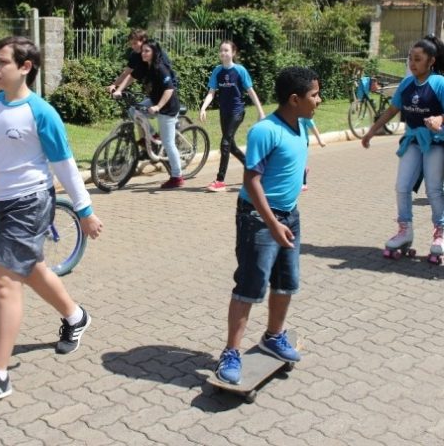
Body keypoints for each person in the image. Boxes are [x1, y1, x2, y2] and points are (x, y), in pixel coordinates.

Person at [0, 36, 103, 405]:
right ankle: (76, 316)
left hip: (31, 201)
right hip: (1, 202)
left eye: (2, 62)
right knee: (31, 269)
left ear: (25, 67)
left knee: (6, 281)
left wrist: (84, 210)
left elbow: (65, 165)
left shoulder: (41, 112)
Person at [215, 66, 321, 385]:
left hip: (289, 216)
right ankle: (230, 352)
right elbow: (252, 180)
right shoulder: (264, 131)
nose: (319, 100)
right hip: (258, 219)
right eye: (314, 95)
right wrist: (272, 224)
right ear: (294, 99)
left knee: (286, 281)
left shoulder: (303, 124)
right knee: (250, 285)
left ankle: (273, 336)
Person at [362, 36, 444, 257]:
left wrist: (439, 119)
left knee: (434, 189)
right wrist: (372, 131)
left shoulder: (439, 83)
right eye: (410, 58)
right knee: (402, 186)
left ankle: (440, 232)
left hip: (436, 142)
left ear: (431, 61)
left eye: (418, 59)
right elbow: (392, 110)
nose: (412, 63)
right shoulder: (407, 84)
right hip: (412, 141)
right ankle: (405, 230)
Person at [113, 39, 184, 189]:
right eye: (143, 51)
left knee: (168, 143)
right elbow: (131, 77)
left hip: (167, 107)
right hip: (154, 100)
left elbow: (169, 89)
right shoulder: (144, 66)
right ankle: (152, 136)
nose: (143, 53)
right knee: (134, 110)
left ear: (154, 52)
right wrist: (119, 90)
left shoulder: (160, 68)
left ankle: (177, 176)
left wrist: (158, 106)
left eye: (147, 51)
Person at [199, 40, 265, 192]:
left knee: (225, 142)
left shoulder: (240, 70)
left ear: (233, 53)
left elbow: (251, 92)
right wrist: (203, 107)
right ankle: (256, 170)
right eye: (221, 50)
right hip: (224, 112)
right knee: (232, 147)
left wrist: (260, 112)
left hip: (237, 111)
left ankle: (220, 180)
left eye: (226, 50)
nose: (223, 53)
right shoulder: (217, 71)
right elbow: (211, 92)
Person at [300, 118, 326, 192]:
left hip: (303, 142)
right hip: (291, 142)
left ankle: (304, 183)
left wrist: (320, 140)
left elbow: (312, 125)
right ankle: (305, 169)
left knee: (301, 162)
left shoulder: (303, 113)